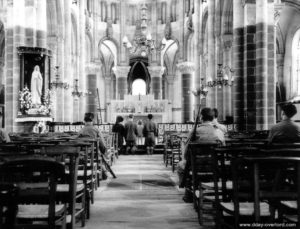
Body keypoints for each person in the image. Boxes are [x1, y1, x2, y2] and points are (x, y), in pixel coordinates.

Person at [177, 107, 225, 202]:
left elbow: (186, 152)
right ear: (212, 118)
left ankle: (188, 193)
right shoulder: (219, 132)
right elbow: (223, 148)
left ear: (201, 118)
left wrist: (185, 159)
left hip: (197, 166)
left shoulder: (195, 132)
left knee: (180, 165)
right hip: (215, 165)